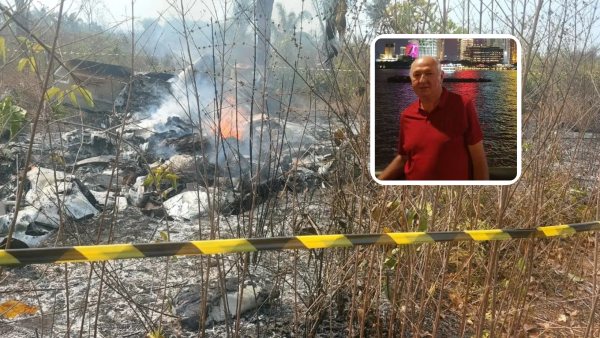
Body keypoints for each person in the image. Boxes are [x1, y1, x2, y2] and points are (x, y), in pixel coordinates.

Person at [378, 56, 489, 181]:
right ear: (411, 80)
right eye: (417, 75)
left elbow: (478, 160)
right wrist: (377, 182)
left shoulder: (463, 106)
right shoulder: (407, 115)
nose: (422, 80)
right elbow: (404, 158)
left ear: (441, 76)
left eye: (429, 73)